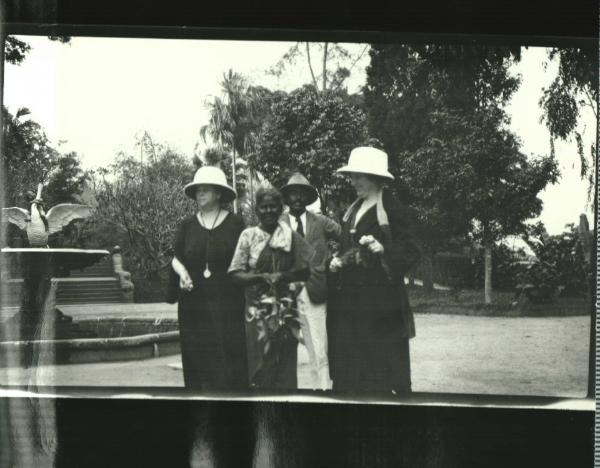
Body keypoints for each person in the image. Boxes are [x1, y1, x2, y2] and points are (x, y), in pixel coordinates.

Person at [327, 147, 421, 395]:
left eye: (358, 176)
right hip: (350, 304)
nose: (353, 181)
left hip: (381, 305)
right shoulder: (353, 209)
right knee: (350, 370)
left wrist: (384, 250)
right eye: (352, 176)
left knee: (380, 368)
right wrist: (338, 260)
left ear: (374, 177)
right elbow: (348, 248)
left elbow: (412, 249)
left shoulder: (391, 208)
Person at [169, 166, 247, 391]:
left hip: (227, 302)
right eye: (197, 190)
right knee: (197, 357)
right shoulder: (187, 225)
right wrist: (183, 274)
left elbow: (247, 258)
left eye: (205, 190)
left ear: (219, 194)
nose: (200, 194)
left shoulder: (236, 224)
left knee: (227, 356)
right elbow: (176, 258)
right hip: (193, 303)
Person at [228, 187, 313, 390]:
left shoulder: (290, 236)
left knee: (285, 367)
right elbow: (234, 274)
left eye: (273, 207)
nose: (268, 211)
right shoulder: (248, 236)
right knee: (260, 366)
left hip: (286, 311)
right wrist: (262, 278)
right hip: (256, 313)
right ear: (257, 210)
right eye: (264, 207)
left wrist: (283, 277)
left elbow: (305, 272)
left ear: (280, 209)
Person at [280, 173, 341, 390]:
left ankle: (322, 393)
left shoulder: (322, 222)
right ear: (286, 198)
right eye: (292, 194)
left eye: (301, 193)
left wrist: (335, 260)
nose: (297, 198)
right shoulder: (277, 224)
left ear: (307, 198)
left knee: (318, 348)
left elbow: (346, 236)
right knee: (283, 351)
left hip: (315, 292)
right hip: (285, 296)